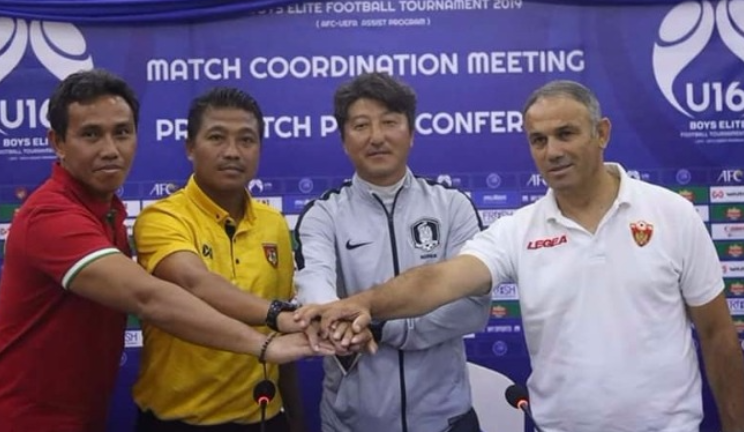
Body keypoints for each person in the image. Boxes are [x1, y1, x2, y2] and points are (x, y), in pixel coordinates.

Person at [296, 80, 744, 432]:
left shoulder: (672, 213)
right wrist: (363, 304)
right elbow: (438, 281)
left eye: (565, 134)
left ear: (602, 133)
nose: (553, 151)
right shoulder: (518, 229)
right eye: (538, 140)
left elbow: (718, 334)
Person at [0, 69, 326, 432]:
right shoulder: (51, 215)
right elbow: (151, 297)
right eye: (91, 134)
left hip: (82, 417)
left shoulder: (108, 212)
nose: (110, 150)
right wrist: (267, 340)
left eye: (122, 133)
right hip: (20, 420)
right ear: (58, 142)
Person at [294, 72, 491, 432]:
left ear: (411, 133)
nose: (376, 137)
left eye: (389, 122)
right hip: (351, 423)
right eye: (361, 125)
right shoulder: (323, 214)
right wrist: (337, 323)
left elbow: (473, 308)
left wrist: (382, 327)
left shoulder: (452, 206)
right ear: (343, 140)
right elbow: (316, 293)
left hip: (446, 421)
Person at [131, 86, 315, 432]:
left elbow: (282, 331)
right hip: (177, 422)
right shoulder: (162, 218)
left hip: (262, 417)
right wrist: (277, 314)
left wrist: (295, 418)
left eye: (246, 140)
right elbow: (195, 283)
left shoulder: (274, 224)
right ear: (190, 147)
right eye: (217, 137)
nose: (232, 152)